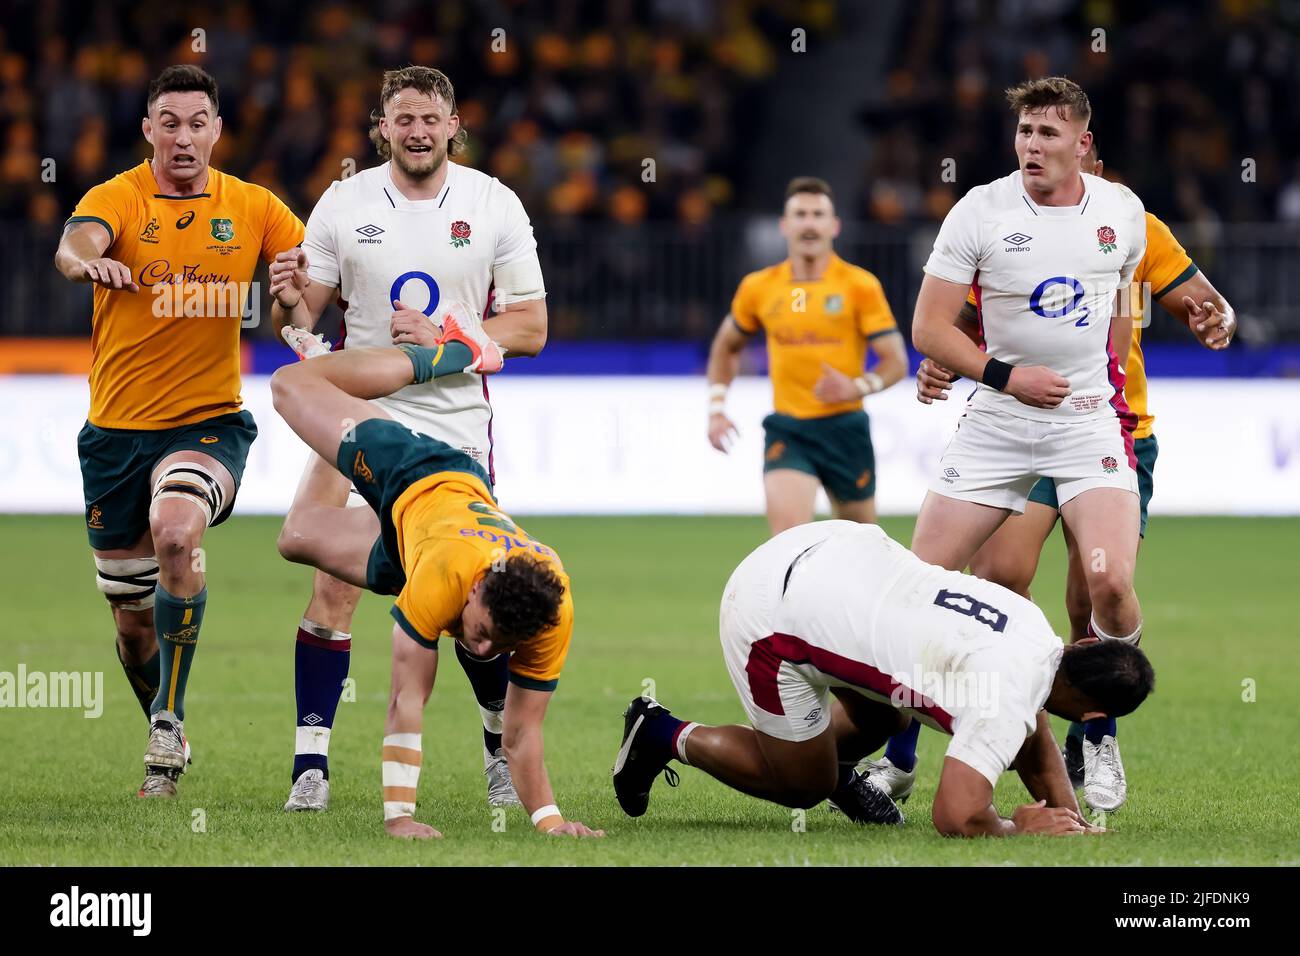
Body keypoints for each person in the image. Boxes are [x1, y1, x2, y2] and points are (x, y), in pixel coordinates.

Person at [887, 144, 1235, 813]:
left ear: (1092, 161)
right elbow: (972, 314)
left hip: (1111, 429)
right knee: (999, 581)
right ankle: (912, 743)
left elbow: (1203, 298)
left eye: (1084, 159)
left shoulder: (1134, 224)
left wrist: (1213, 315)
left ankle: (1096, 731)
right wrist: (945, 362)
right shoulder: (1007, 219)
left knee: (1093, 591)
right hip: (1021, 427)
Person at [270, 65, 548, 812]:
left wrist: (448, 337)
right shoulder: (343, 200)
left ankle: (496, 747)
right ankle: (312, 766)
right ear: (382, 127)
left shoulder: (494, 203)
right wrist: (288, 293)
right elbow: (303, 326)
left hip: (455, 423)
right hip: (358, 416)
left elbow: (530, 326)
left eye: (432, 119)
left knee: (470, 592)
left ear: (454, 125)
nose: (419, 131)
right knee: (324, 578)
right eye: (404, 119)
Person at [881, 76, 1149, 810]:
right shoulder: (980, 210)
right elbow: (929, 328)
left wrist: (1111, 379)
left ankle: (1097, 734)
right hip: (998, 424)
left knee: (1111, 586)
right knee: (916, 587)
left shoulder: (1123, 212)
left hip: (1086, 422)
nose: (1032, 146)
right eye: (1025, 133)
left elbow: (1127, 300)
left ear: (1082, 144)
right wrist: (1002, 374)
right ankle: (894, 750)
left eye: (1048, 134)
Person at [53, 64, 304, 798]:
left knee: (175, 532)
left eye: (198, 123)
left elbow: (301, 292)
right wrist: (86, 265)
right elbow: (74, 246)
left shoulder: (255, 207)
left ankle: (166, 717)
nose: (185, 137)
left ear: (218, 130)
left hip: (208, 423)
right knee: (131, 629)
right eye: (170, 122)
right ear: (148, 130)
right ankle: (169, 722)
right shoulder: (119, 197)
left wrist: (295, 300)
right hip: (114, 438)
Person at [269, 318, 601, 839]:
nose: (484, 645)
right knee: (289, 384)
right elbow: (407, 699)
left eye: (499, 641)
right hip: (415, 471)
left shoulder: (549, 613)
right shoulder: (445, 580)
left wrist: (551, 821)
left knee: (296, 536)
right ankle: (446, 355)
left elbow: (522, 732)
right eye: (484, 629)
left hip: (416, 544)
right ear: (473, 591)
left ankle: (331, 383)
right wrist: (399, 817)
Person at [612, 520, 1154, 836]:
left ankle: (842, 773)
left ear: (1083, 644)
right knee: (804, 784)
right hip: (768, 615)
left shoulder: (1035, 632)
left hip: (828, 548)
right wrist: (1020, 826)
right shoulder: (1010, 697)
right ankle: (663, 732)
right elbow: (956, 814)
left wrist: (1069, 820)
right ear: (1091, 714)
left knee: (890, 710)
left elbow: (1031, 732)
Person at [705, 177, 907, 534]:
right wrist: (717, 408)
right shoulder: (759, 287)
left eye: (818, 214)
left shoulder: (860, 286)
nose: (809, 223)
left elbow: (896, 361)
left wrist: (858, 386)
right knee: (788, 546)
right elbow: (726, 345)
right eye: (800, 214)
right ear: (785, 225)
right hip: (789, 429)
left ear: (834, 226)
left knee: (860, 548)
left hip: (845, 428)